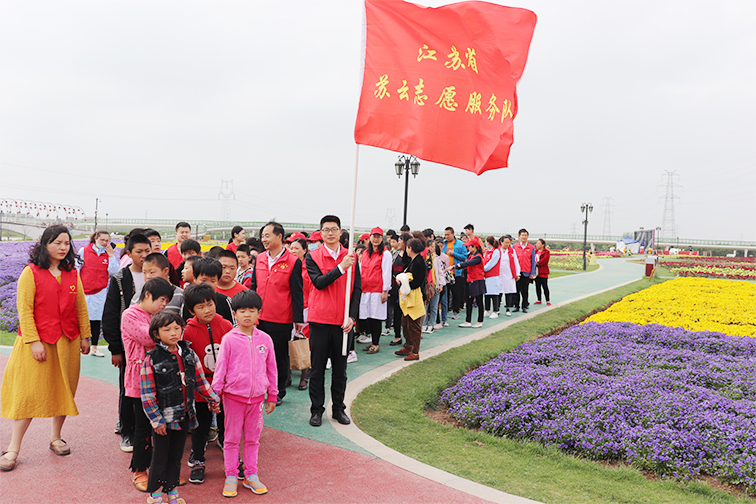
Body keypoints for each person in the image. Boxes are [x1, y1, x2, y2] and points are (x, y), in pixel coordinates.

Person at [0, 225, 92, 472]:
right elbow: (24, 310)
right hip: (38, 344)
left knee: (64, 389)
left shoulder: (72, 273)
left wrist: (86, 336)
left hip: (68, 341)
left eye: (66, 243)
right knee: (28, 394)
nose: (63, 247)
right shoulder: (31, 272)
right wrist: (34, 341)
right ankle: (13, 448)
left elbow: (80, 307)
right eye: (57, 243)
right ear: (45, 244)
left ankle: (56, 437)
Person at [141, 311, 221, 504]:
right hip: (164, 418)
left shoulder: (189, 354)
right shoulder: (152, 358)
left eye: (177, 328)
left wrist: (214, 400)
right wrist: (156, 419)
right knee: (160, 457)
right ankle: (155, 495)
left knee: (176, 456)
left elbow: (200, 381)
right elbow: (147, 393)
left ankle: (172, 492)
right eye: (167, 329)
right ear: (156, 334)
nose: (173, 333)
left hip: (185, 414)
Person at [212, 290, 277, 498]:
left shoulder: (265, 339)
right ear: (235, 314)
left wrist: (272, 395)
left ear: (259, 313)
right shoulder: (229, 339)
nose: (247, 314)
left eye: (251, 310)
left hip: (257, 400)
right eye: (242, 311)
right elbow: (220, 369)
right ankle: (231, 475)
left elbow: (272, 369)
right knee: (231, 439)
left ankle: (250, 475)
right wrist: (215, 395)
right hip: (233, 398)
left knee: (252, 439)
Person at [305, 215, 361, 427]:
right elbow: (319, 283)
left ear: (340, 232)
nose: (330, 233)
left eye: (334, 229)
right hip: (320, 320)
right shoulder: (313, 257)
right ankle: (316, 410)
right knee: (317, 369)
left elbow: (357, 289)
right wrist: (340, 268)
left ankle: (338, 408)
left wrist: (352, 317)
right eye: (326, 230)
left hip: (343, 323)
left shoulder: (351, 256)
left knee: (340, 370)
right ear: (321, 233)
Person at [121, 278, 174, 491]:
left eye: (167, 301)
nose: (164, 304)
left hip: (161, 378)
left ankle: (162, 470)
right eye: (162, 300)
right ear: (148, 295)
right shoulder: (130, 314)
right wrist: (170, 332)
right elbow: (150, 337)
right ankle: (139, 469)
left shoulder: (155, 317)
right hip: (140, 380)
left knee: (164, 426)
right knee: (143, 426)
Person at [102, 232, 152, 452]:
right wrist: (115, 348)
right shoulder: (120, 278)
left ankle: (148, 428)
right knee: (128, 389)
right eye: (139, 251)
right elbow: (111, 313)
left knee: (153, 388)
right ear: (129, 254)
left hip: (154, 343)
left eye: (147, 251)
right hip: (129, 347)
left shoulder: (157, 273)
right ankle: (127, 431)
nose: (144, 255)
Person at [181, 283, 234, 484]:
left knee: (226, 423)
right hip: (201, 389)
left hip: (225, 387)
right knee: (200, 426)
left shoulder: (226, 326)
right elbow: (187, 362)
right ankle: (198, 460)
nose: (207, 310)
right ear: (191, 310)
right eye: (201, 307)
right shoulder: (188, 331)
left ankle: (231, 458)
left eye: (210, 304)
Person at [250, 221, 304, 406]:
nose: (264, 239)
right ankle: (259, 388)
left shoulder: (293, 261)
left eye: (267, 235)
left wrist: (298, 318)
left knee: (279, 356)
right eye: (262, 236)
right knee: (258, 355)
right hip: (259, 317)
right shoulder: (260, 258)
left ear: (279, 236)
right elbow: (254, 286)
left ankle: (278, 391)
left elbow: (297, 292)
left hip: (281, 318)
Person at [78, 229, 119, 357]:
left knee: (96, 319)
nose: (104, 243)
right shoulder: (84, 251)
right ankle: (78, 344)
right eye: (102, 240)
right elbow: (76, 268)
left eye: (107, 241)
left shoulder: (108, 254)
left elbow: (114, 271)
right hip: (83, 290)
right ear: (95, 238)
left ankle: (94, 348)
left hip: (99, 292)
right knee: (81, 318)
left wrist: (111, 255)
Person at [357, 227, 391, 354]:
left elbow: (387, 273)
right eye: (373, 236)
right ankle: (372, 342)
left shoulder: (385, 254)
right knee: (368, 316)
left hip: (377, 290)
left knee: (376, 318)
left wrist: (385, 290)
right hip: (365, 289)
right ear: (370, 237)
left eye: (378, 236)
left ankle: (376, 343)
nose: (376, 239)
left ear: (382, 238)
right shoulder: (365, 253)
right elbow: (361, 270)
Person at [394, 238, 426, 361]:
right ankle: (408, 346)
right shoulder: (414, 260)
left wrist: (403, 282)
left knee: (413, 326)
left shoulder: (419, 262)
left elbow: (417, 282)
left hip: (414, 297)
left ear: (410, 248)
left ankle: (415, 351)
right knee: (405, 323)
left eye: (407, 247)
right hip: (408, 297)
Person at [288, 237, 312, 390]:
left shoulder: (309, 267)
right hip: (289, 307)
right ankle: (287, 375)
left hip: (306, 308)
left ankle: (304, 377)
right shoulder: (288, 266)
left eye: (297, 248)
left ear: (304, 250)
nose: (293, 251)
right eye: (291, 248)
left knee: (304, 342)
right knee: (288, 341)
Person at [183, 258, 235, 325]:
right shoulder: (189, 300)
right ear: (195, 278)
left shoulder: (224, 300)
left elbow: (232, 325)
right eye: (204, 281)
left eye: (213, 281)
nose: (208, 284)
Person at [455, 236, 486, 328]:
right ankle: (468, 321)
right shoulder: (471, 255)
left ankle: (479, 321)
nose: (467, 248)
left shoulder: (478, 257)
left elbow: (468, 263)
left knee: (479, 301)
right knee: (469, 301)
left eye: (469, 246)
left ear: (475, 247)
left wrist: (457, 266)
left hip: (478, 281)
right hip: (470, 280)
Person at [388, 232, 410, 346]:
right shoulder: (395, 254)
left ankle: (409, 337)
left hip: (405, 289)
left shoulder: (410, 256)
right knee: (396, 312)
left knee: (406, 314)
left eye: (400, 240)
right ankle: (397, 336)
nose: (399, 242)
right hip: (394, 288)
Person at [443, 227, 467, 320]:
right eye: (445, 234)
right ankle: (445, 312)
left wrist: (453, 254)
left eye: (448, 234)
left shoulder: (460, 244)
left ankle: (456, 311)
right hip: (445, 273)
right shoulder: (443, 244)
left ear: (453, 234)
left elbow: (464, 257)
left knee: (456, 293)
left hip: (456, 273)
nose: (446, 236)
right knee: (445, 294)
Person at [514, 228, 536, 313]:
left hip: (526, 272)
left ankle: (524, 306)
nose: (524, 237)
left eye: (525, 235)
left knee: (525, 291)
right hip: (517, 273)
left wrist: (532, 273)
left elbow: (533, 261)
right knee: (516, 290)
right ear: (519, 236)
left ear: (527, 236)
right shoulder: (515, 246)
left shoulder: (531, 247)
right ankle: (516, 306)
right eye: (522, 235)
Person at [498, 235, 521, 317]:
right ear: (501, 242)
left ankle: (508, 309)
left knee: (508, 292)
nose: (507, 244)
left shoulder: (512, 251)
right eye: (506, 242)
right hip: (499, 274)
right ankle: (497, 308)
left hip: (509, 274)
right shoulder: (497, 250)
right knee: (499, 292)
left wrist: (517, 274)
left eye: (508, 242)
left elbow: (516, 262)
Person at [423, 239, 440, 334]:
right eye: (432, 246)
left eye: (434, 246)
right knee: (425, 306)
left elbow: (440, 273)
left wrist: (440, 284)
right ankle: (424, 324)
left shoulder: (437, 259)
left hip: (435, 285)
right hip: (426, 285)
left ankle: (431, 325)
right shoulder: (424, 258)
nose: (433, 248)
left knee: (434, 306)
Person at [483, 236, 502, 319]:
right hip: (486, 276)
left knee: (494, 294)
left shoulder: (496, 251)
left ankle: (495, 311)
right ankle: (487, 310)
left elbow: (492, 263)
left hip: (493, 276)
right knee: (487, 294)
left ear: (488, 242)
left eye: (485, 241)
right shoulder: (487, 251)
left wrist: (484, 268)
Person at [534, 238, 551, 306]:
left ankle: (547, 300)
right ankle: (539, 299)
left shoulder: (546, 252)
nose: (537, 244)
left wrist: (537, 264)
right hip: (536, 272)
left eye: (539, 243)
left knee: (545, 286)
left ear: (543, 245)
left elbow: (545, 260)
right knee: (537, 286)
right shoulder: (535, 251)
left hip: (543, 271)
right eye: (537, 243)